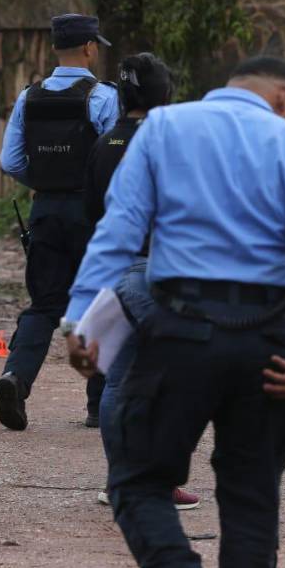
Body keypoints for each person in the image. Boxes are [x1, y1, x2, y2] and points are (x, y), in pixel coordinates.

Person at [63, 56, 285, 568]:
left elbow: (119, 230)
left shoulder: (163, 128)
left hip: (178, 330)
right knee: (252, 494)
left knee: (137, 483)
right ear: (284, 97)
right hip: (268, 339)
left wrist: (78, 317)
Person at [82, 52, 199, 511]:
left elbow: (91, 212)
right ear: (164, 93)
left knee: (119, 380)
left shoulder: (104, 143)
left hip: (115, 269)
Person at [0, 13, 119, 431]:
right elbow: (112, 157)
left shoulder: (28, 97)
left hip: (45, 211)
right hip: (91, 214)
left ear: (54, 48)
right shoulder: (104, 98)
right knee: (101, 301)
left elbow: (10, 160)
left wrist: (45, 183)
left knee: (45, 304)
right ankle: (98, 404)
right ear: (89, 48)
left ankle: (16, 377)